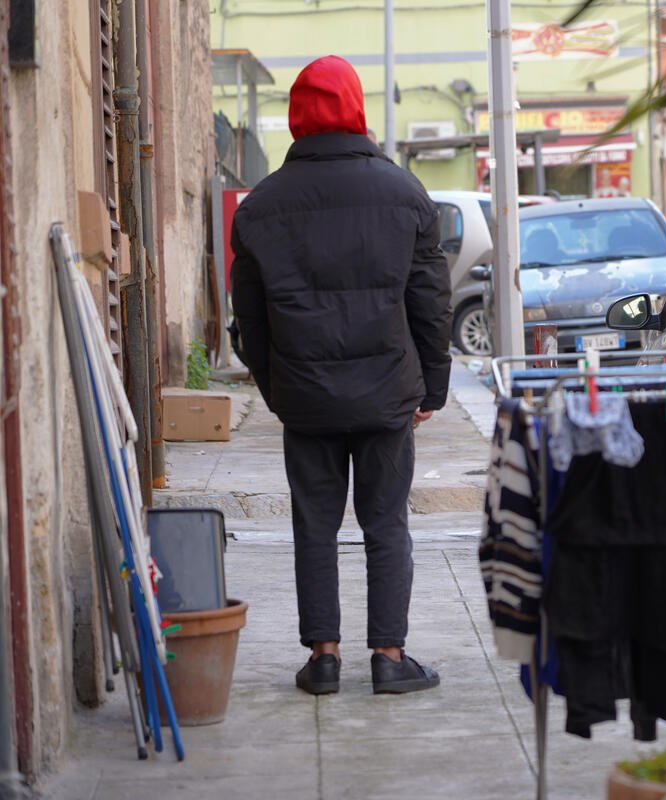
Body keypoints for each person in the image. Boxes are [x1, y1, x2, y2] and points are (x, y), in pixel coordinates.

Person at [230, 55, 450, 697]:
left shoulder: (261, 206)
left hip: (305, 396)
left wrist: (278, 390)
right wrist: (431, 388)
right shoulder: (406, 194)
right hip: (387, 394)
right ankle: (389, 655)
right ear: (357, 109)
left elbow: (251, 319)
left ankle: (323, 658)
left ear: (298, 116)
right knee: (386, 523)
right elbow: (430, 305)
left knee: (314, 525)